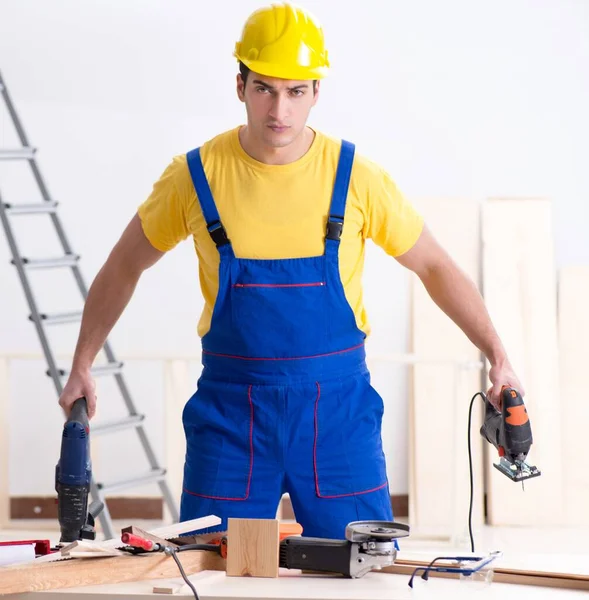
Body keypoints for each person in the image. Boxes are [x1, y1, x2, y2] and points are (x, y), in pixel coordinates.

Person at [58, 3, 523, 538]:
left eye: (296, 91)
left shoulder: (355, 179)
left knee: (360, 568)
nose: (279, 109)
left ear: (316, 92)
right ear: (240, 85)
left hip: (337, 418)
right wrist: (82, 363)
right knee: (211, 569)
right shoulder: (195, 177)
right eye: (264, 88)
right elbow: (122, 267)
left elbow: (436, 267)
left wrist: (499, 356)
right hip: (232, 416)